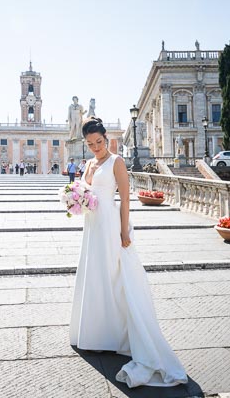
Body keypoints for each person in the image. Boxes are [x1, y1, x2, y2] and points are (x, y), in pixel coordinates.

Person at [70, 117, 188, 388]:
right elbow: (84, 191)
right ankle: (97, 334)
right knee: (95, 276)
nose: (96, 147)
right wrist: (75, 198)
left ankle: (119, 336)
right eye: (90, 144)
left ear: (106, 138)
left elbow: (124, 199)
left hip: (110, 224)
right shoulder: (88, 164)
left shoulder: (117, 162)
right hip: (92, 226)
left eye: (99, 142)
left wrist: (124, 231)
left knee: (113, 277)